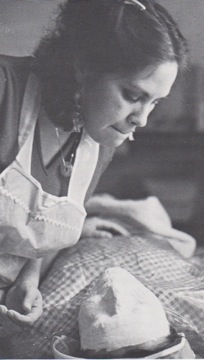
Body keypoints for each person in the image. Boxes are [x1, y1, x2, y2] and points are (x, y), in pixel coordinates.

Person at [0, 0, 188, 353]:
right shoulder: (5, 91)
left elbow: (39, 232)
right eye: (133, 95)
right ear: (83, 67)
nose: (142, 120)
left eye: (156, 103)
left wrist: (28, 279)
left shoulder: (100, 138)